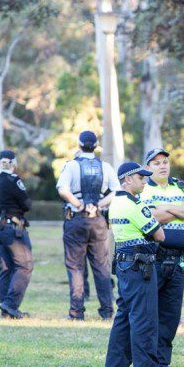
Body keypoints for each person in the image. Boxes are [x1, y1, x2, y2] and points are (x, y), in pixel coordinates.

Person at [104, 161, 171, 367]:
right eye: (140, 178)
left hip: (124, 263)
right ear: (128, 179)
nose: (144, 182)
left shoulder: (116, 202)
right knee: (144, 318)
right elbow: (159, 235)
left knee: (124, 316)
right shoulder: (135, 205)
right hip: (139, 266)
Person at [140, 147, 184, 367]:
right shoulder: (145, 188)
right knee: (150, 314)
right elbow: (152, 216)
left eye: (165, 161)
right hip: (154, 258)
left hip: (178, 261)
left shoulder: (182, 186)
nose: (162, 165)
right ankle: (148, 362)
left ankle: (163, 364)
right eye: (156, 163)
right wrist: (179, 210)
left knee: (170, 315)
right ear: (148, 168)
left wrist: (166, 208)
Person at [56, 130, 121, 321]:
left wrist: (79, 205)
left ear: (79, 145)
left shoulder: (71, 166)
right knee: (101, 266)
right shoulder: (105, 167)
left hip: (76, 219)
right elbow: (117, 191)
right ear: (96, 146)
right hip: (98, 220)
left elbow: (62, 189)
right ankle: (107, 310)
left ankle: (76, 312)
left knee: (75, 267)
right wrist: (99, 205)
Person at [0, 150, 34, 319]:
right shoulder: (14, 180)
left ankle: (5, 310)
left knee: (6, 268)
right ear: (14, 165)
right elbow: (26, 203)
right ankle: (11, 304)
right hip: (12, 228)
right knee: (25, 265)